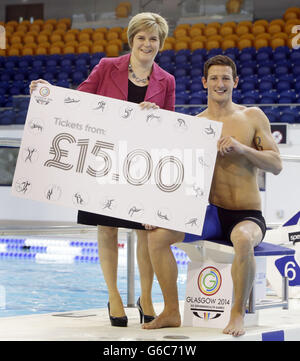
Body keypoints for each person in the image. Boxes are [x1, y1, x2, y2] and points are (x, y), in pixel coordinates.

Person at [29, 12, 175, 327]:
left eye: (153, 39)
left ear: (160, 44)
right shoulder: (108, 67)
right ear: (131, 39)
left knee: (144, 233)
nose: (147, 44)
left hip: (141, 167)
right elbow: (81, 98)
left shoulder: (167, 81)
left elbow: (172, 130)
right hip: (104, 161)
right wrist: (49, 93)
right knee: (107, 230)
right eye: (142, 38)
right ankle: (114, 297)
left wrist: (157, 115)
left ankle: (146, 297)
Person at [142, 55, 282, 336]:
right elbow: (173, 171)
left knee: (243, 239)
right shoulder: (196, 125)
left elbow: (276, 164)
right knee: (157, 237)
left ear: (236, 82)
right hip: (213, 215)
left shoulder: (251, 116)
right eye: (215, 78)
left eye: (226, 78)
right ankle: (171, 311)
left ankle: (237, 314)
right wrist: (151, 117)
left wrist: (244, 150)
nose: (220, 84)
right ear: (205, 83)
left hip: (247, 215)